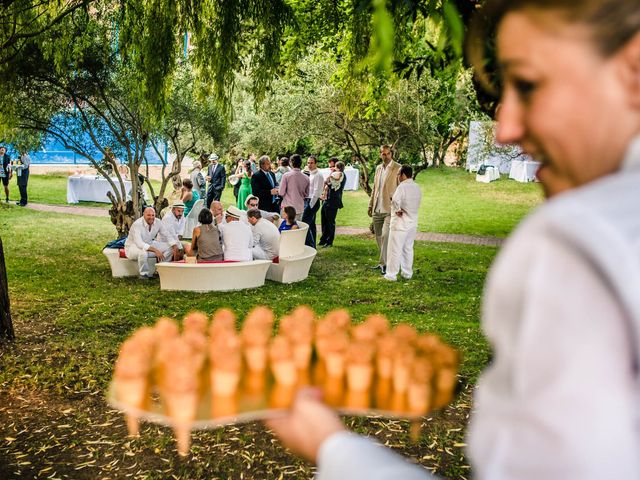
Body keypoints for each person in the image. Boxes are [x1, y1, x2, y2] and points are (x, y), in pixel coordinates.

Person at [268, 1, 640, 478]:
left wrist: (334, 449)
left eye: (528, 84)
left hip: (404, 224)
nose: (506, 130)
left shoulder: (580, 244)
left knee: (399, 253)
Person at [383, 165, 422, 281]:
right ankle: (407, 273)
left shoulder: (402, 187)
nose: (397, 176)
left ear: (403, 175)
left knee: (394, 249)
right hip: (412, 222)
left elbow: (395, 200)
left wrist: (397, 209)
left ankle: (391, 274)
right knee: (408, 248)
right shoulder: (417, 187)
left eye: (399, 174)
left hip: (400, 223)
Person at [368, 145, 401, 275]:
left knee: (386, 236)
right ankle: (383, 262)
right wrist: (370, 205)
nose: (385, 156)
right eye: (383, 154)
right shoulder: (378, 168)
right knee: (378, 235)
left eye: (387, 154)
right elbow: (375, 188)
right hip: (377, 207)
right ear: (380, 154)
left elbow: (401, 189)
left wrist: (399, 206)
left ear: (391, 154)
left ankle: (385, 264)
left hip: (390, 208)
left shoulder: (398, 168)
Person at [124, 206, 178, 279]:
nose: (151, 217)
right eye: (148, 215)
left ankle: (159, 270)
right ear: (144, 215)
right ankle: (144, 274)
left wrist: (174, 245)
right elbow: (139, 244)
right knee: (143, 253)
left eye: (153, 215)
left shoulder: (158, 222)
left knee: (170, 248)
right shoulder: (137, 224)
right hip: (133, 248)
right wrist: (156, 250)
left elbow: (166, 234)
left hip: (149, 244)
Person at [318, 160, 346, 248]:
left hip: (333, 201)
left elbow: (332, 185)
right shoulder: (334, 174)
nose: (331, 168)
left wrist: (327, 181)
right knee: (324, 220)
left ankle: (329, 241)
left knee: (330, 221)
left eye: (333, 167)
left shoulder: (340, 175)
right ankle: (323, 239)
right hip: (327, 200)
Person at [301, 155, 325, 248]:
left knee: (305, 224)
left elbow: (317, 192)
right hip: (308, 200)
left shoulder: (318, 175)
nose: (309, 165)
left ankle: (309, 246)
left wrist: (310, 205)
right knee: (311, 225)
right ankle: (312, 246)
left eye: (311, 163)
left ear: (316, 163)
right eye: (308, 163)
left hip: (312, 202)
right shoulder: (311, 173)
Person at [278, 154, 309, 221]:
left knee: (285, 229)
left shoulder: (286, 175)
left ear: (291, 163)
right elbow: (307, 194)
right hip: (299, 207)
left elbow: (281, 192)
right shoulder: (306, 178)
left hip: (287, 207)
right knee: (297, 229)